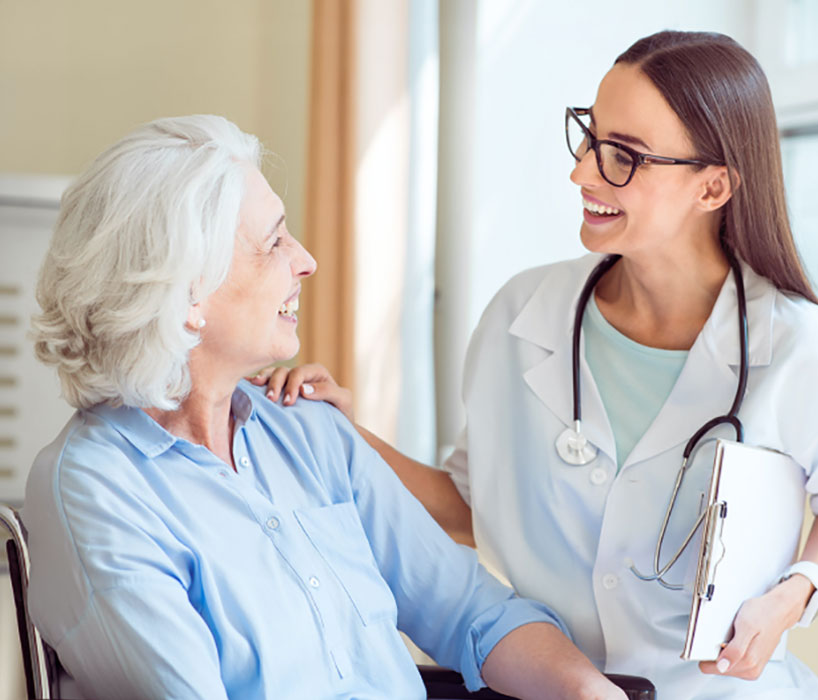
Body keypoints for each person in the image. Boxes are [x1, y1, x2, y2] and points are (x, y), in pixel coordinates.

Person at [263, 31, 818, 699]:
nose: (583, 173)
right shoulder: (522, 315)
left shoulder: (795, 346)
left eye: (624, 157)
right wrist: (343, 436)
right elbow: (473, 506)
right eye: (590, 137)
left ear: (713, 187)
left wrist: (795, 590)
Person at [22, 115, 627, 699]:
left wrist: (584, 690)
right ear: (187, 294)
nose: (305, 260)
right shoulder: (95, 485)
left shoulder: (308, 429)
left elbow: (472, 612)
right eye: (273, 242)